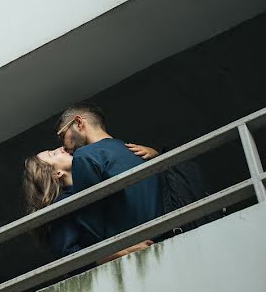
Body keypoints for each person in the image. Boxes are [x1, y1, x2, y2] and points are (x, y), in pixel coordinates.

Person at [23, 142, 158, 262]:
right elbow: (70, 257)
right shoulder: (61, 207)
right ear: (56, 173)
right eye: (52, 154)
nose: (60, 148)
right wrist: (123, 252)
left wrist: (154, 157)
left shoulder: (97, 178)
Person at [55, 102, 162, 253]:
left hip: (130, 252)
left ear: (78, 122)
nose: (64, 146)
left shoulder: (85, 155)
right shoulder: (135, 151)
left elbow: (91, 223)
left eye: (62, 135)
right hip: (163, 240)